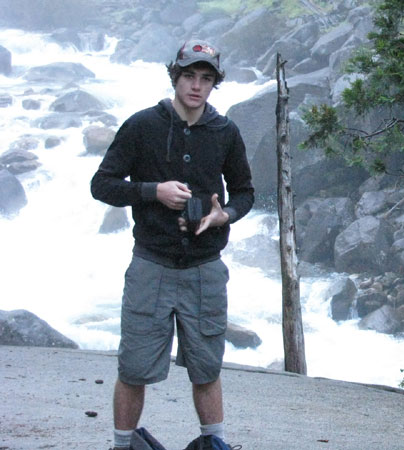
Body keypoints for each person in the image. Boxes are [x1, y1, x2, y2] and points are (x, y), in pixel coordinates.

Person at [90, 39, 254, 450]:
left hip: (205, 268)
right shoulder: (142, 125)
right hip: (151, 264)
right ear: (174, 77)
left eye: (206, 79)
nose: (196, 86)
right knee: (134, 368)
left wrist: (224, 215)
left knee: (206, 367)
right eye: (189, 77)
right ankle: (122, 444)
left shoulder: (225, 131)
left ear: (215, 84)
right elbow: (101, 185)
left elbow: (245, 193)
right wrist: (152, 191)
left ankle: (215, 444)